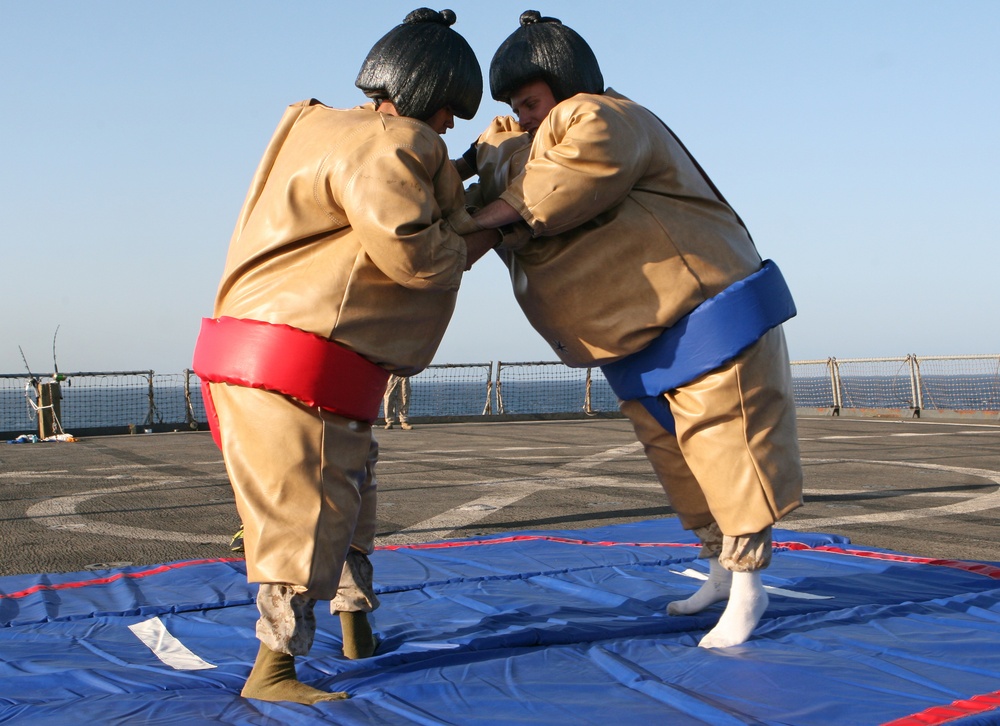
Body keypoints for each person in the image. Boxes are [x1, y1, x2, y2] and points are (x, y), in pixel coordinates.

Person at [465, 10, 804, 649]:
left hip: (707, 314)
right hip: (646, 336)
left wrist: (477, 212)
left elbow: (562, 183)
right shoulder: (539, 145)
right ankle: (717, 571)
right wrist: (497, 155)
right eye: (515, 106)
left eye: (530, 101)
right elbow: (529, 178)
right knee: (677, 458)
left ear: (563, 86)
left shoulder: (599, 116)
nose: (526, 115)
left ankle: (750, 587)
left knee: (726, 446)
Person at [192, 8, 496, 703]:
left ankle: (356, 625)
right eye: (448, 111)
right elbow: (417, 253)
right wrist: (497, 222)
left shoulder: (315, 126)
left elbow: (404, 189)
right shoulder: (387, 145)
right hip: (299, 363)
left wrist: (467, 169)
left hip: (265, 354)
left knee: (351, 498)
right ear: (424, 89)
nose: (446, 128)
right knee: (309, 513)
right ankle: (272, 673)